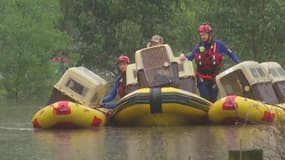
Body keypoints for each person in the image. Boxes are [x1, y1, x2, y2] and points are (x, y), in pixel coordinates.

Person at [179, 23, 240, 102]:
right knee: (205, 98)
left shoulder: (219, 44)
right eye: (201, 35)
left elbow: (231, 54)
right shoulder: (198, 46)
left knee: (213, 99)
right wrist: (184, 56)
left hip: (214, 78)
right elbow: (191, 55)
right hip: (202, 78)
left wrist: (239, 63)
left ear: (209, 34)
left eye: (204, 35)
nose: (202, 37)